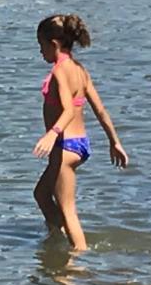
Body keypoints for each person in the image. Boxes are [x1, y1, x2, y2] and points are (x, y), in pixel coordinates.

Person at [32, 14, 128, 251]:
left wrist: (52, 133)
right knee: (42, 195)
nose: (40, 52)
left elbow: (66, 111)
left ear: (53, 44)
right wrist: (114, 142)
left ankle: (78, 259)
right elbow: (101, 110)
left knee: (67, 208)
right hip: (80, 144)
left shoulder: (60, 71)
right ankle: (57, 236)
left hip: (64, 147)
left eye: (41, 45)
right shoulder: (79, 69)